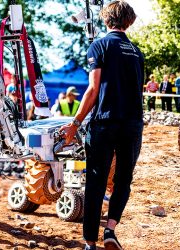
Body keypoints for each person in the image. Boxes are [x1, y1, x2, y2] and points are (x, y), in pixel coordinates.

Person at [58, 2, 144, 249]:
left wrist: (75, 123)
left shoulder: (100, 45)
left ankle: (89, 243)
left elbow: (93, 89)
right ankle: (110, 230)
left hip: (105, 122)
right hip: (132, 124)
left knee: (96, 181)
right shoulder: (137, 52)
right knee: (123, 180)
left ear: (107, 20)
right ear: (129, 21)